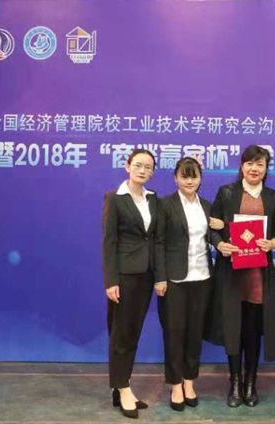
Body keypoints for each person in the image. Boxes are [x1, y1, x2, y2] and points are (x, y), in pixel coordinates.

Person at [205, 145, 275, 408]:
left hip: (259, 276)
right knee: (233, 329)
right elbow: (212, 227)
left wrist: (273, 242)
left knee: (253, 331)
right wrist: (219, 244)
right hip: (231, 274)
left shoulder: (273, 197)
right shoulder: (226, 192)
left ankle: (251, 383)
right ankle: (235, 382)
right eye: (249, 163)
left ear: (266, 169)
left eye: (260, 164)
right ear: (241, 166)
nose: (254, 169)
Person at [154, 157, 224, 412]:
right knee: (174, 333)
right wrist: (160, 277)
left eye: (194, 176)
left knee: (195, 333)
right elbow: (159, 242)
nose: (189, 181)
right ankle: (175, 385)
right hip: (174, 280)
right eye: (184, 176)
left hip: (203, 278)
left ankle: (189, 382)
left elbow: (213, 234)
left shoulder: (206, 205)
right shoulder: (165, 205)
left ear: (200, 179)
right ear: (175, 178)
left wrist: (221, 231)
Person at [102, 149, 158, 419]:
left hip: (146, 275)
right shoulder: (114, 198)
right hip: (124, 276)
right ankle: (122, 388)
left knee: (133, 332)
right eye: (138, 165)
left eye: (148, 167)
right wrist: (111, 280)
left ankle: (121, 386)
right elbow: (109, 242)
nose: (142, 170)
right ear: (127, 166)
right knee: (121, 333)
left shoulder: (152, 198)